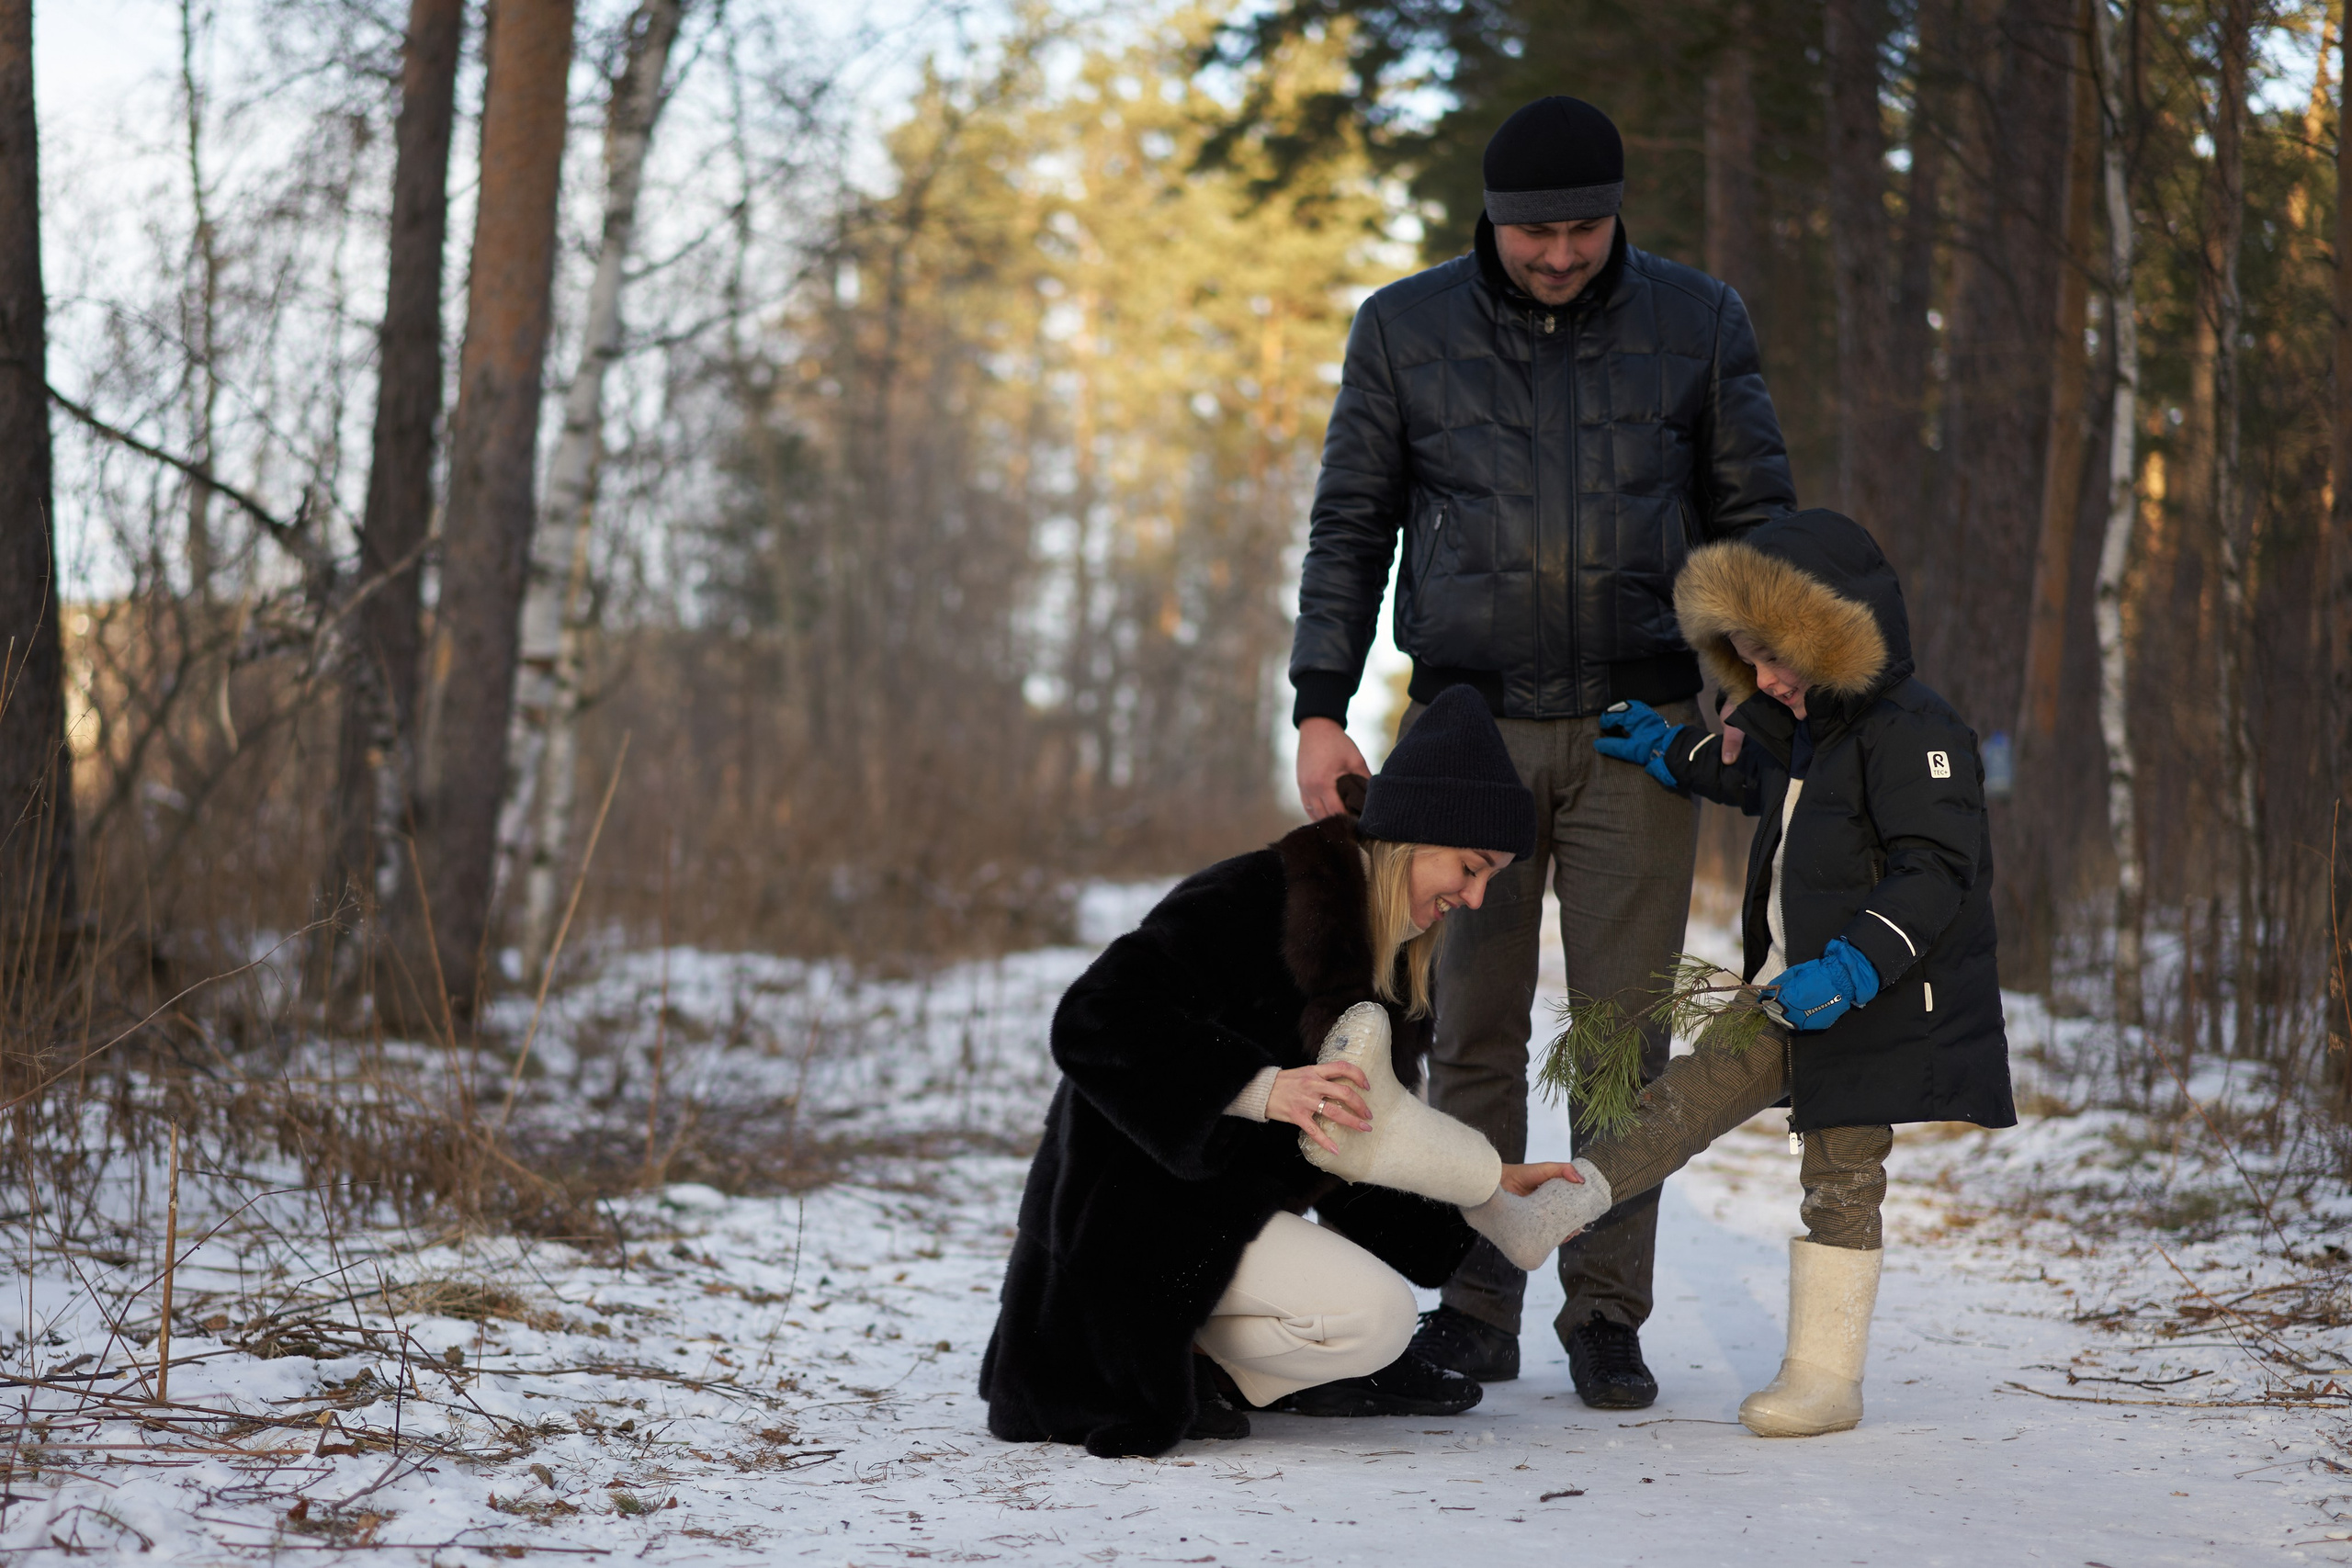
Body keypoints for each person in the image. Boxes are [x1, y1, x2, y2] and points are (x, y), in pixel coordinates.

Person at [1288, 91, 1796, 1408]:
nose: (1560, 254)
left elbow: (1755, 515)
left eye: (1582, 229)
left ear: (1617, 213)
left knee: (1620, 1039)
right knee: (1471, 1028)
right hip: (1466, 728)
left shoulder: (1701, 321)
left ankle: (1607, 1310)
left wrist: (1754, 683)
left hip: (1647, 731)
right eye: (1534, 234)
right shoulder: (1402, 328)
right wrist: (1318, 700)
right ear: (1492, 221)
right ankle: (1474, 1304)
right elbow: (1351, 520)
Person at [981, 687, 1589, 1458]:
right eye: (1470, 868)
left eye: (1489, 879)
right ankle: (1166, 1354)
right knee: (1377, 1313)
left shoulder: (1393, 973)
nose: (1473, 897)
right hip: (1124, 1221)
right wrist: (1261, 1087)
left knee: (1377, 1321)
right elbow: (1094, 1015)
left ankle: (1213, 1359)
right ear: (1414, 832)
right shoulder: (1258, 893)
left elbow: (1352, 1150)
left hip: (1213, 1224)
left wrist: (1488, 1187)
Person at [1583, 506, 2015, 1435]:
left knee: (1842, 1176)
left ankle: (1824, 1379)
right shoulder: (1798, 726)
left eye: (1776, 657)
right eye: (1746, 658)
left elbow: (1936, 865)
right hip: (1786, 988)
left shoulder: (1914, 729)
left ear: (1833, 634)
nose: (1764, 679)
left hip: (1866, 996)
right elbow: (1751, 776)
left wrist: (1856, 967)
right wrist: (1670, 752)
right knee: (1682, 1099)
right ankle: (1552, 1205)